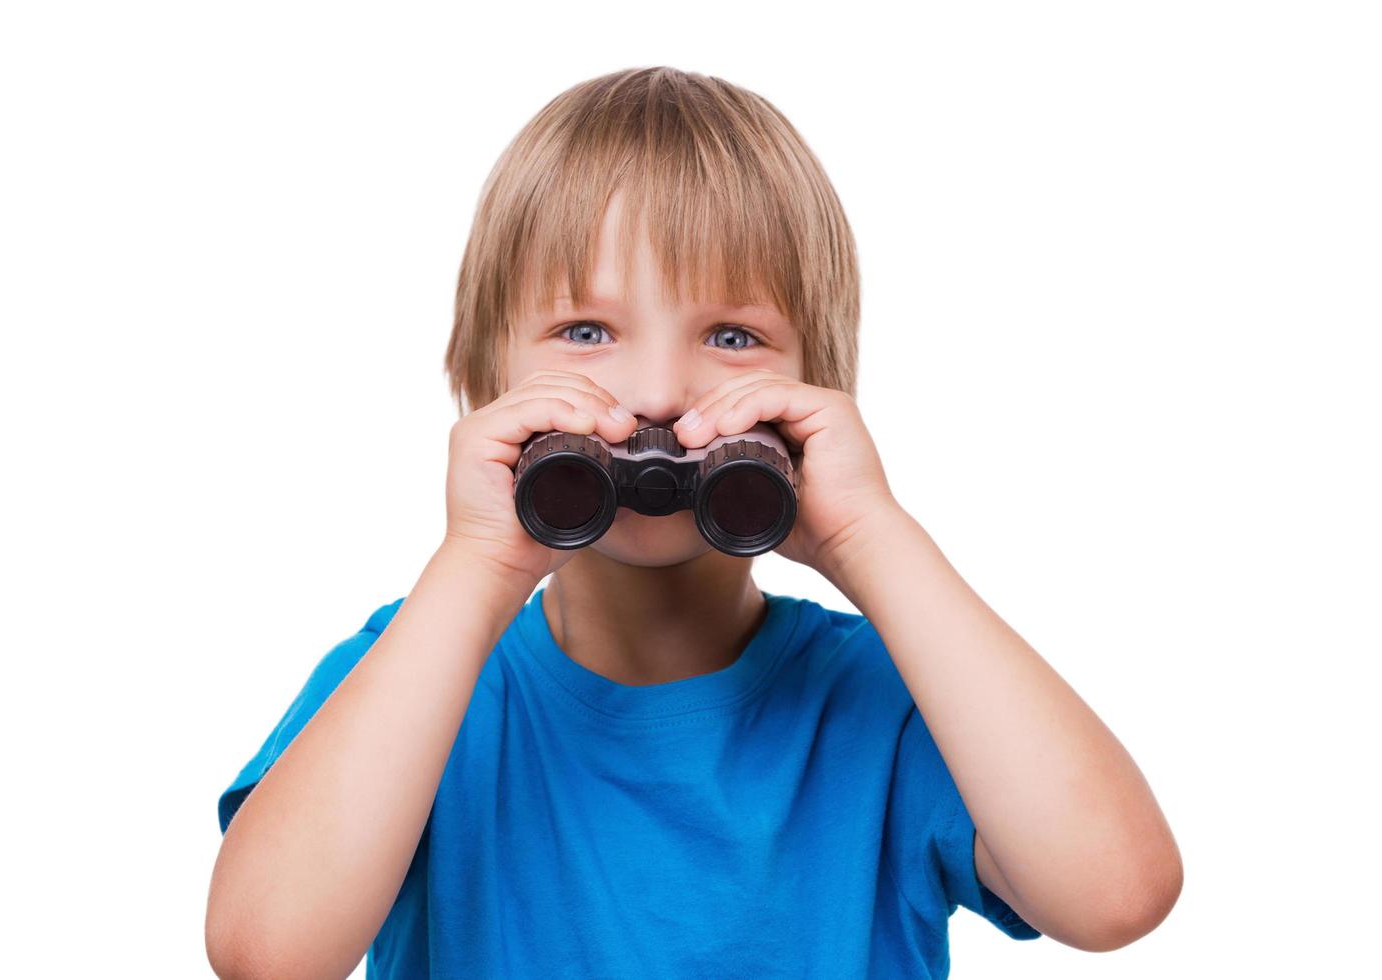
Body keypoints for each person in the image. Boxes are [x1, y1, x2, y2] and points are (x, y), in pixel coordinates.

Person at [205, 66, 1182, 980]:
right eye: (586, 332)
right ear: (482, 380)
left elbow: (1114, 893)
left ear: (815, 389)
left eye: (731, 337)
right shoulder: (414, 678)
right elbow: (267, 951)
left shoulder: (892, 700)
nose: (660, 394)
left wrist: (868, 535)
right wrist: (473, 566)